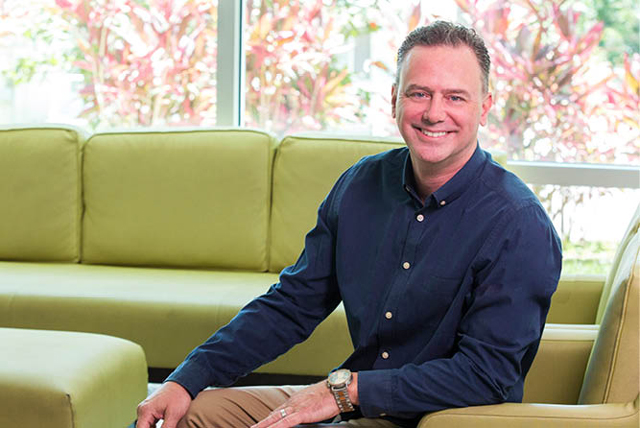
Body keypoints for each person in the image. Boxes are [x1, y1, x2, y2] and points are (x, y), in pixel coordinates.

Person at [136, 20, 562, 428]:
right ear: (394, 97)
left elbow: (487, 377)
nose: (434, 113)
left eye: (455, 97)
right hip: (349, 401)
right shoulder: (361, 183)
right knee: (188, 414)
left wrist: (346, 392)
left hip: (433, 417)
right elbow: (292, 305)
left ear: (484, 107)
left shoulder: (519, 225)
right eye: (419, 93)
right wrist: (185, 378)